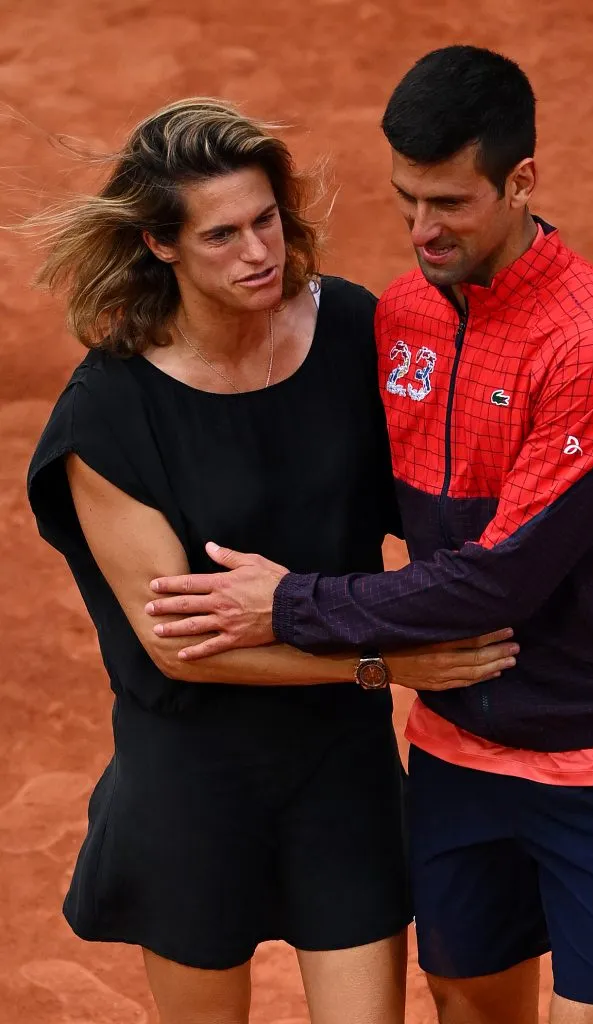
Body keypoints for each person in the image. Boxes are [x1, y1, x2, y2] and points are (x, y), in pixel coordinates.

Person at [145, 49, 593, 1024]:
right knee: (466, 1004)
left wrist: (284, 603)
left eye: (447, 203)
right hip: (455, 753)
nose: (419, 230)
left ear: (520, 181)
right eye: (404, 198)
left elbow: (497, 578)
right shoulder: (397, 315)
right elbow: (373, 502)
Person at [25, 98, 531, 1024]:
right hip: (190, 779)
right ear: (160, 245)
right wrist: (385, 665)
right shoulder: (109, 413)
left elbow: (449, 499)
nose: (256, 252)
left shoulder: (349, 330)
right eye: (220, 235)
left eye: (265, 221)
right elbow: (179, 646)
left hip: (337, 768)